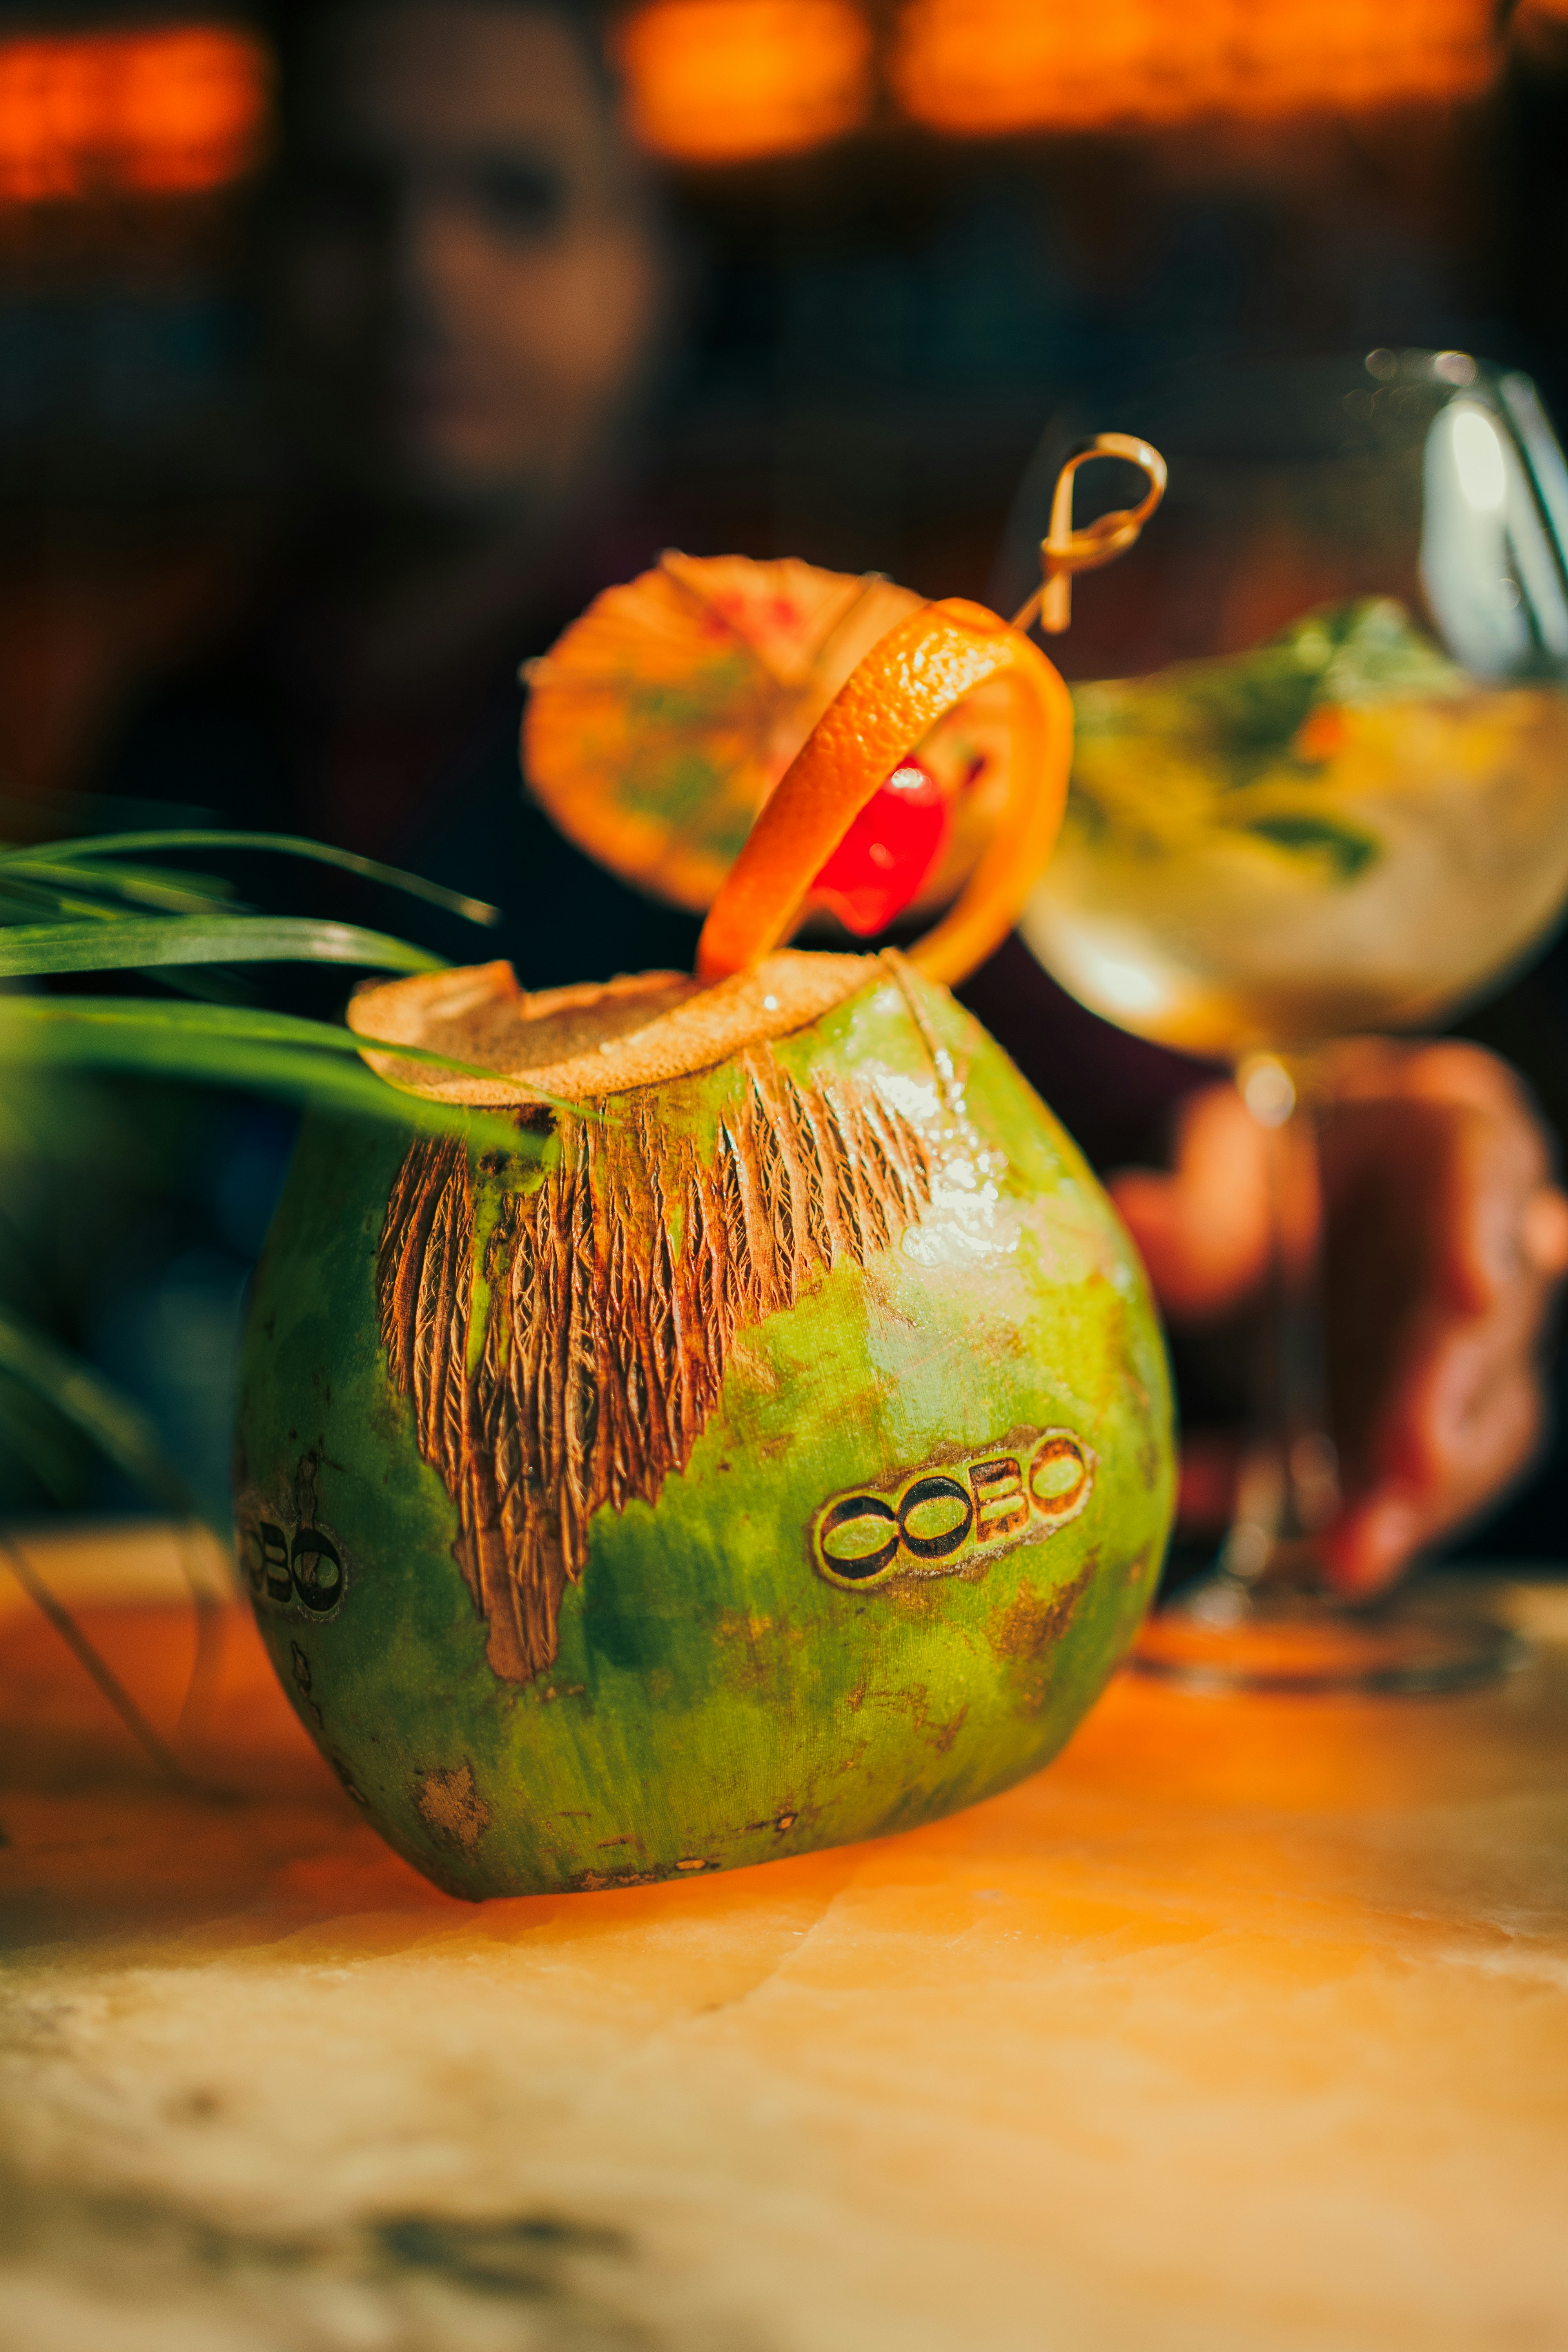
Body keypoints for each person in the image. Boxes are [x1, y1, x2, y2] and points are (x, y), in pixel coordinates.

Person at [98, 0, 1568, 1586]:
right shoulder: (151, 761)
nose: (425, 269)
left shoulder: (819, 738)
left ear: (653, 273)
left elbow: (1131, 1151)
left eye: (516, 196)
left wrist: (1315, 1186)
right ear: (244, 262)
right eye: (349, 199)